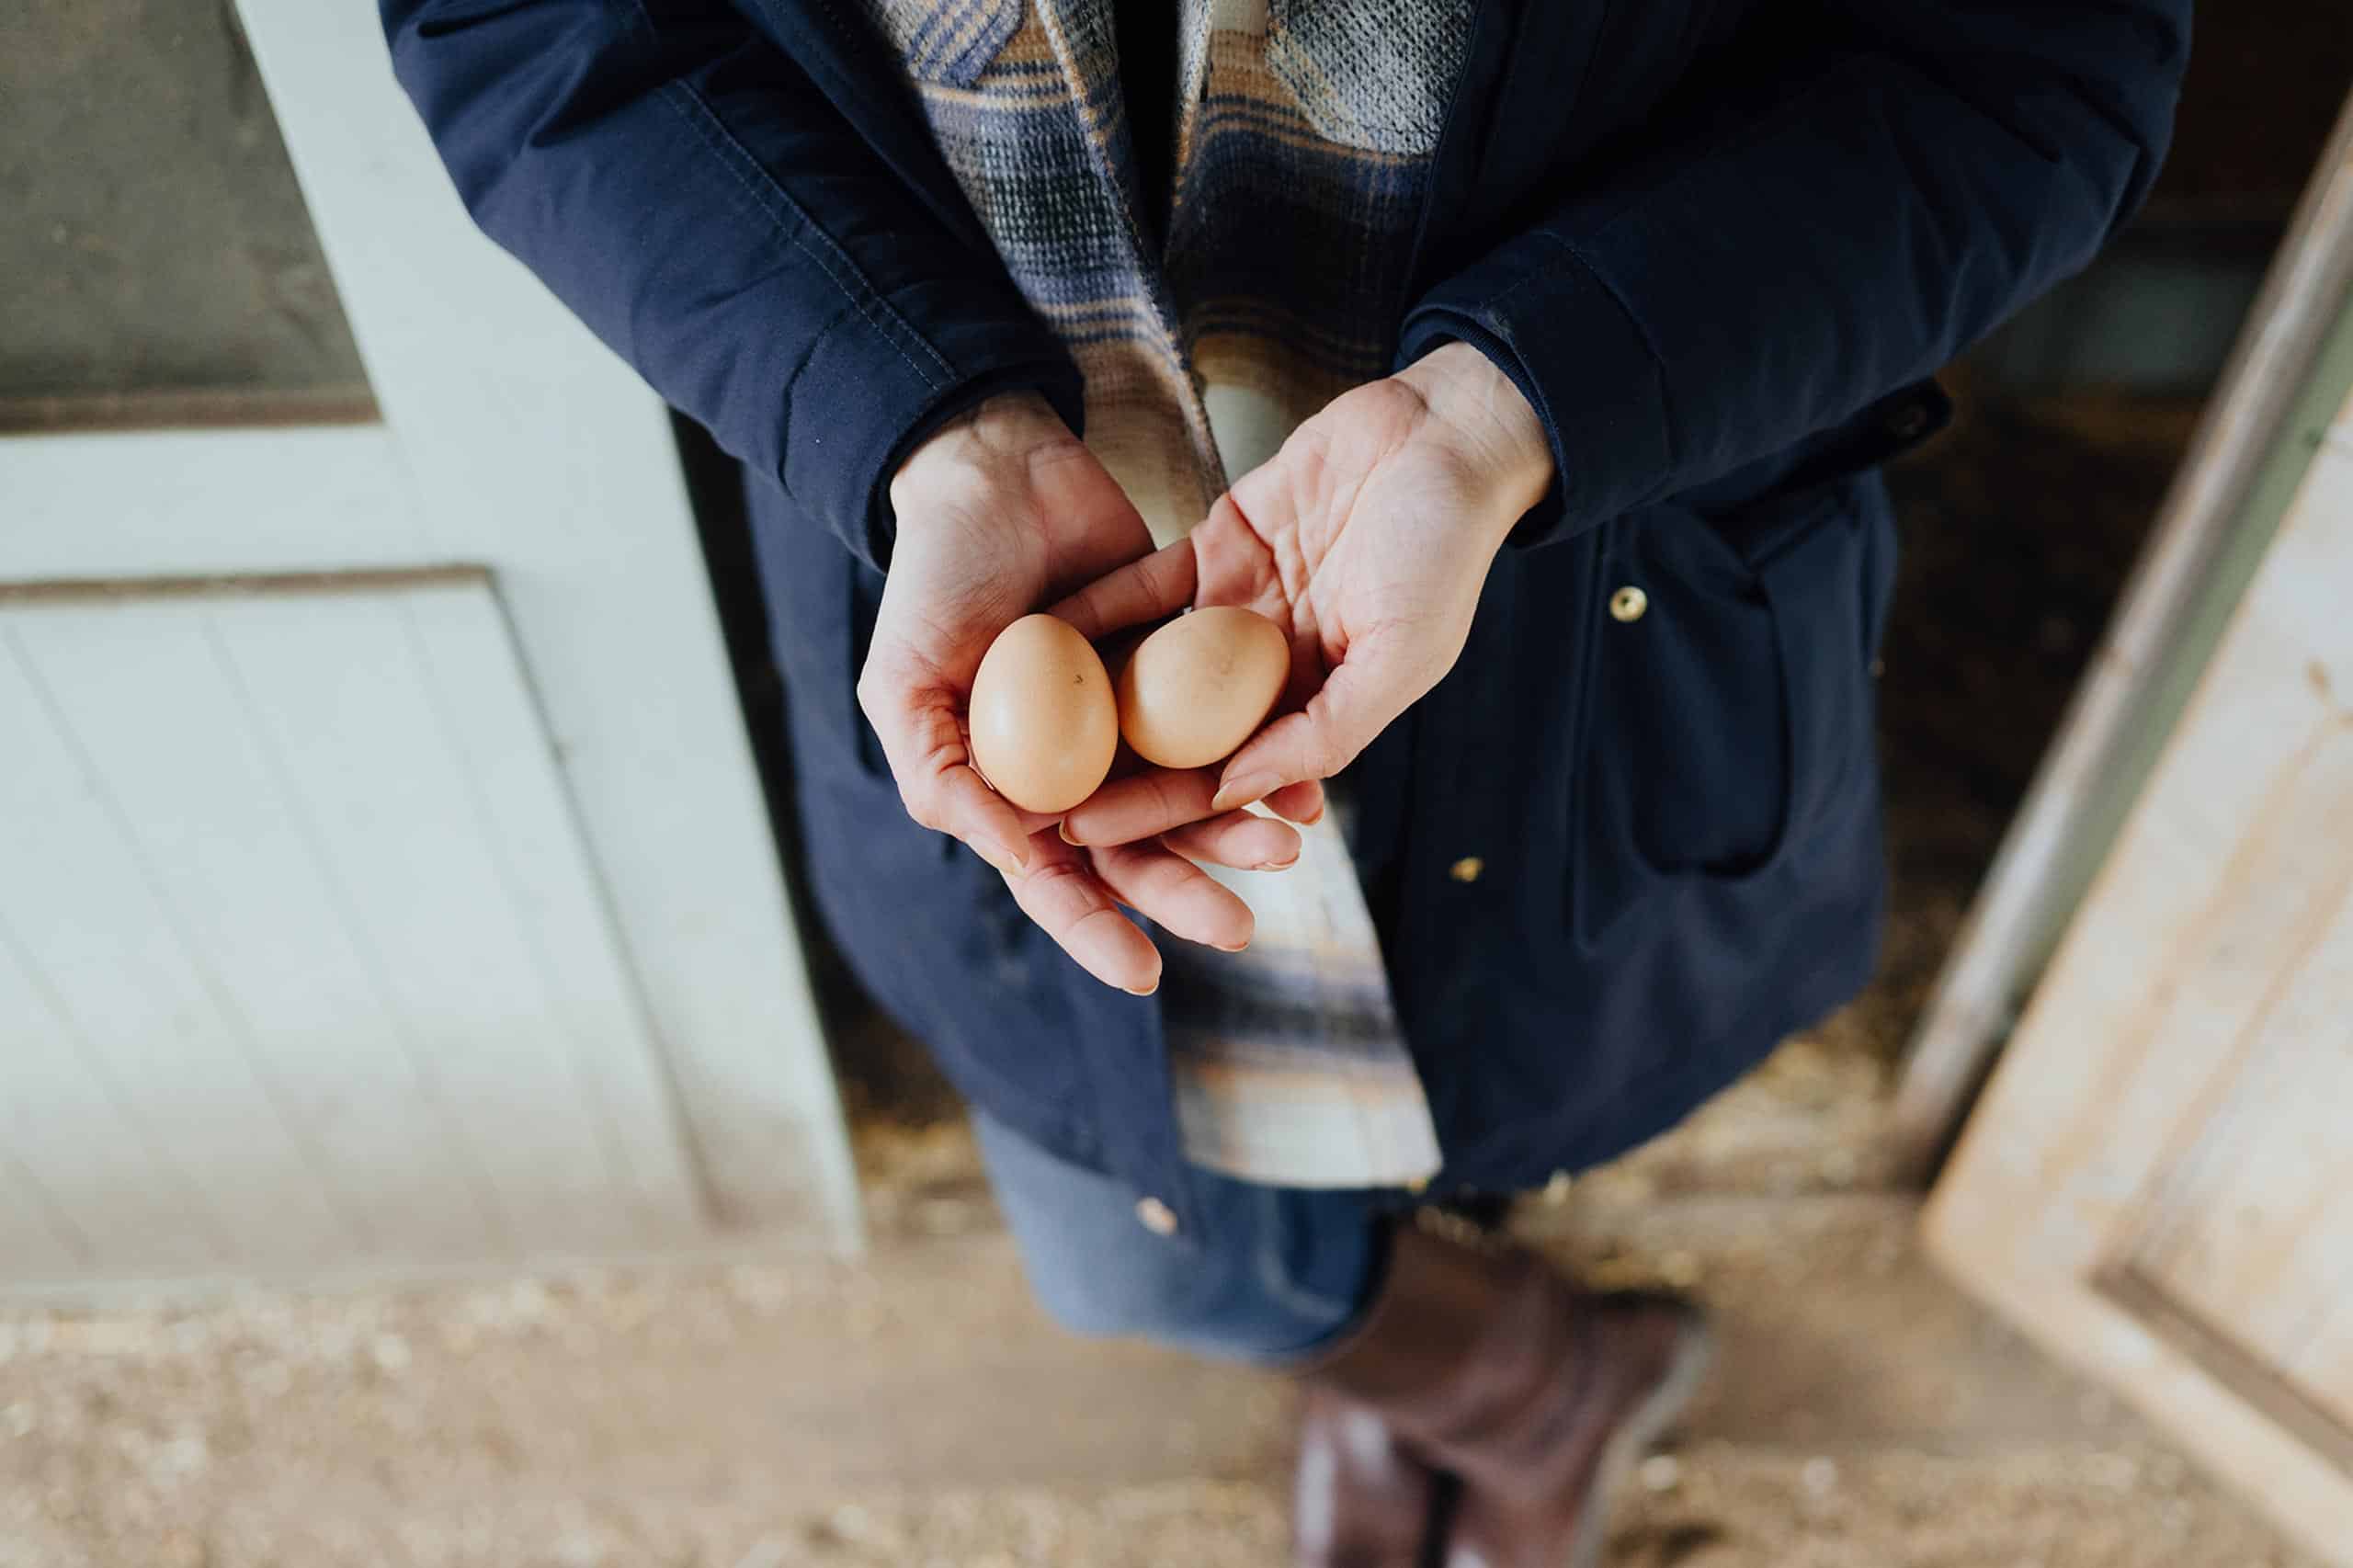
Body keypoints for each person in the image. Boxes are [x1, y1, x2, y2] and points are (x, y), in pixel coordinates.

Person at [384, 2, 2188, 1561]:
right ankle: (1522, 1380)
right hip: (1000, 558)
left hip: (1566, 589)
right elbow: (527, 31)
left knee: (1483, 1090)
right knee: (1145, 1255)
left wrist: (1512, 409)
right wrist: (915, 422)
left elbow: (2034, 60)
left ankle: (1434, 1370)